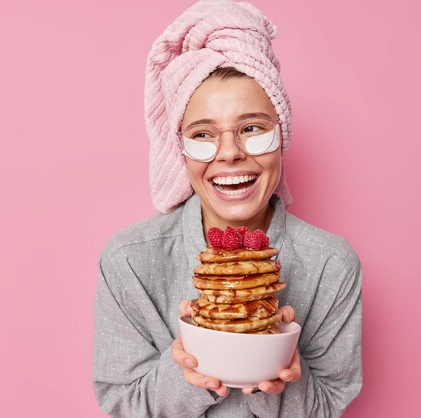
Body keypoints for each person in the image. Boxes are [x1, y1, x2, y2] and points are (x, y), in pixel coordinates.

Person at [92, 1, 362, 417]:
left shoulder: (331, 265)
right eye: (203, 134)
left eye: (252, 128)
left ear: (282, 135)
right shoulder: (129, 260)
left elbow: (329, 406)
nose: (230, 153)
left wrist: (281, 370)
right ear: (179, 150)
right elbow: (122, 404)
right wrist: (188, 364)